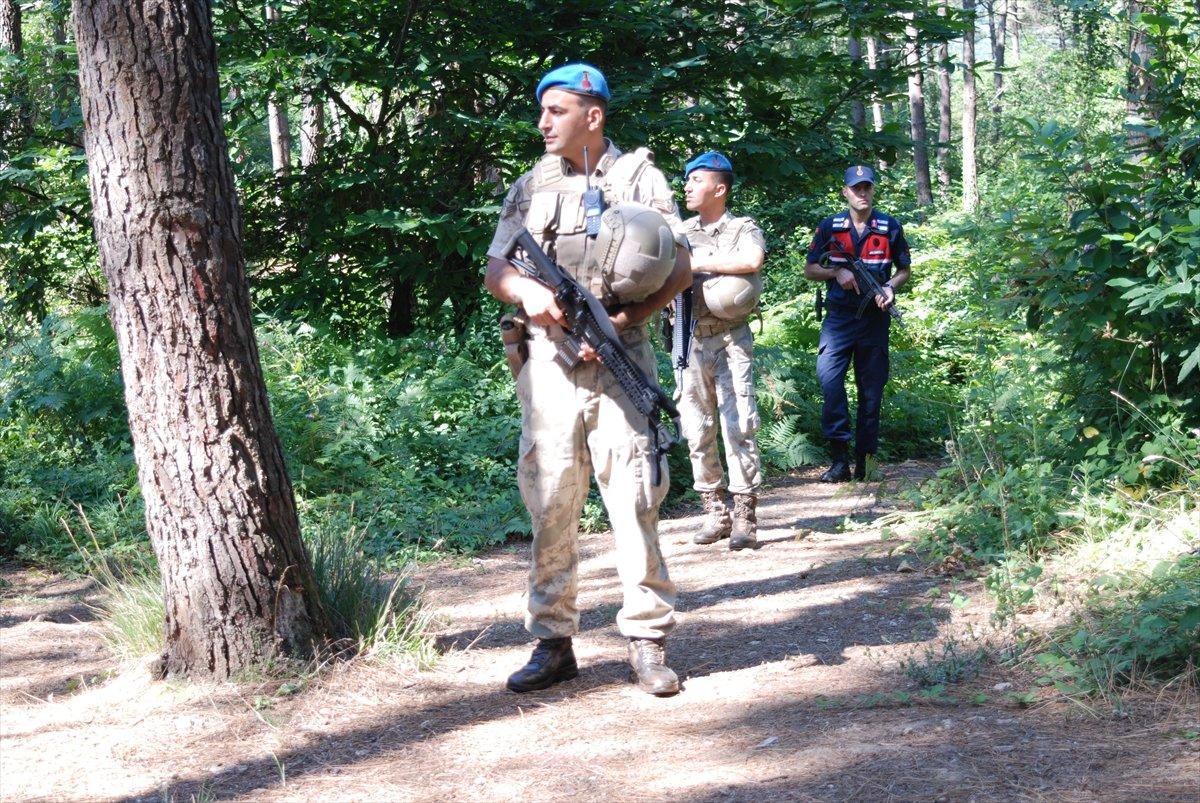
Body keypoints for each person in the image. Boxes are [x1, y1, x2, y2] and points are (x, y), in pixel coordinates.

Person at [483, 64, 692, 696]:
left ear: (592, 115)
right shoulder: (531, 184)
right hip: (548, 359)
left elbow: (680, 268)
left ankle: (647, 640)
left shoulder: (640, 178)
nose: (543, 123)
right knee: (549, 495)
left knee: (633, 492)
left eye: (557, 111)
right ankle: (553, 642)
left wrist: (627, 321)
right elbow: (497, 268)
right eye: (542, 112)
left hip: (619, 355)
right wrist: (527, 293)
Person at [676, 151, 767, 551]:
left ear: (720, 188)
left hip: (731, 339)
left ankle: (745, 514)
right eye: (687, 181)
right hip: (689, 338)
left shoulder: (742, 228)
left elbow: (752, 259)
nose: (687, 187)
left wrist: (698, 262)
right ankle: (714, 511)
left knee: (739, 423)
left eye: (696, 180)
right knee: (696, 427)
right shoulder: (679, 231)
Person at [804, 165, 911, 482]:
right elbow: (810, 269)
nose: (862, 193)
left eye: (867, 187)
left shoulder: (889, 226)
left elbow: (904, 269)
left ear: (872, 190)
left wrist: (890, 287)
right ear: (846, 192)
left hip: (875, 318)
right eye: (856, 188)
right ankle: (839, 461)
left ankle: (866, 461)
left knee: (872, 391)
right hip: (839, 317)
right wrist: (836, 272)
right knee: (830, 383)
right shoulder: (830, 227)